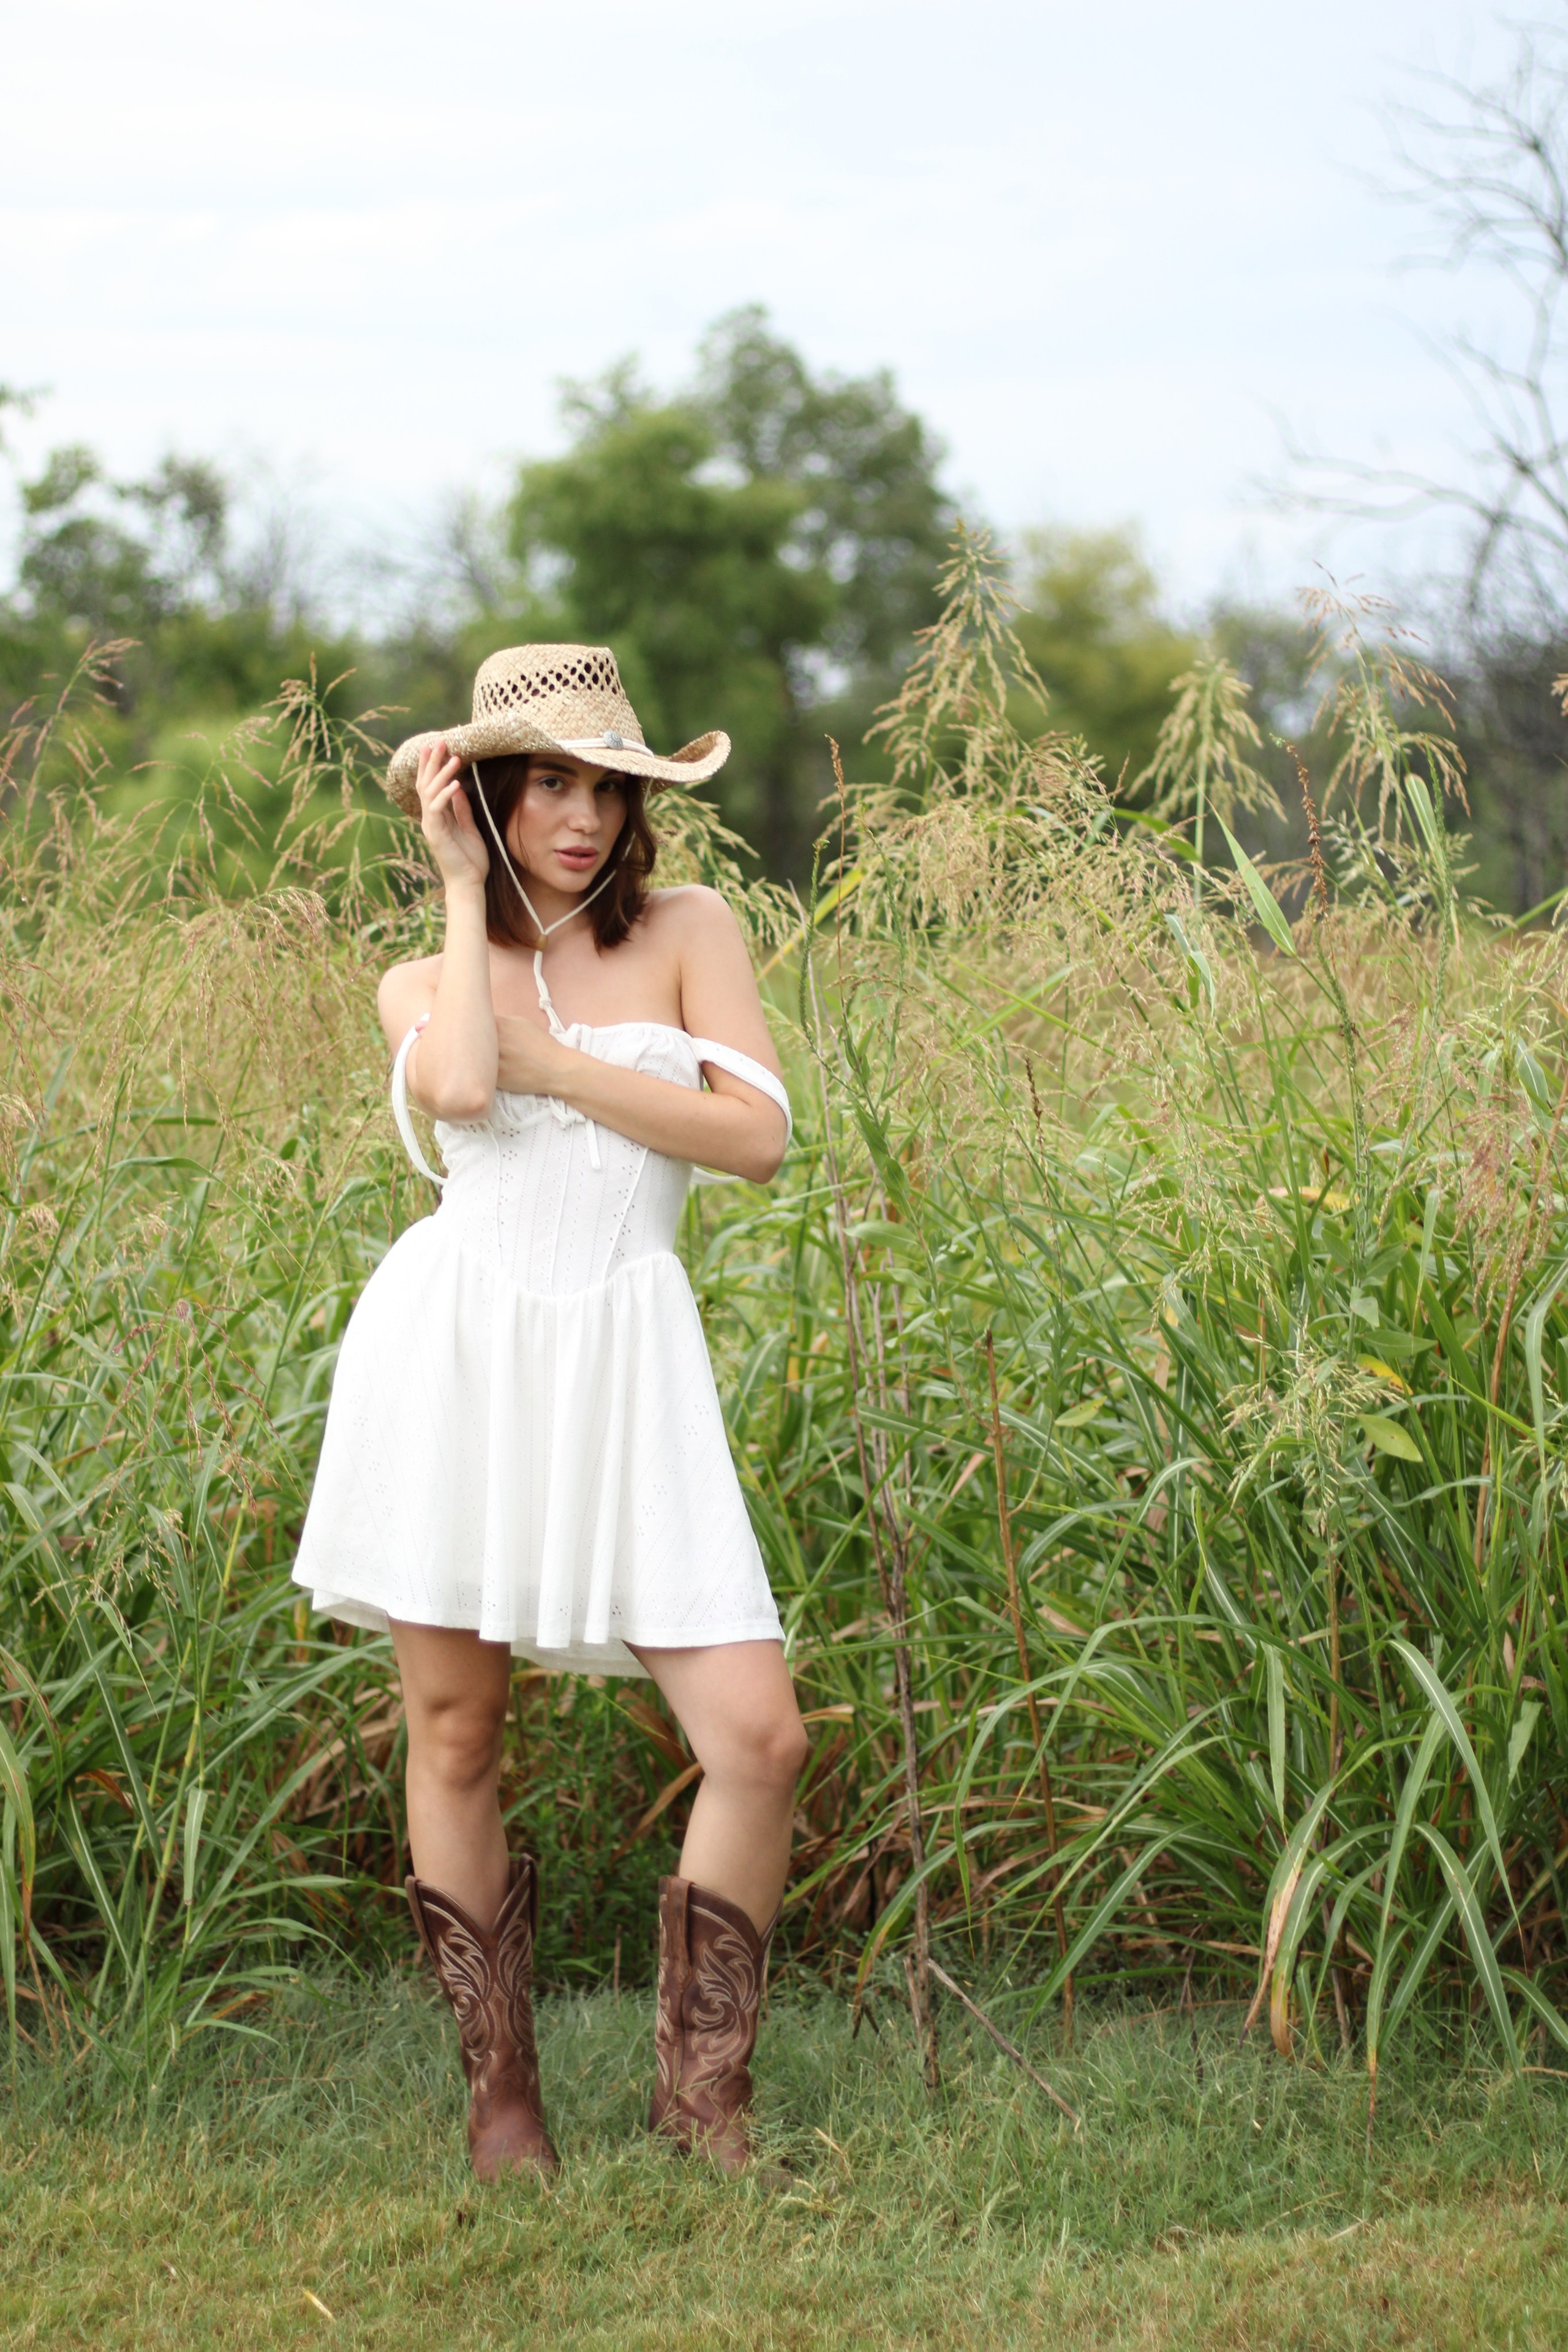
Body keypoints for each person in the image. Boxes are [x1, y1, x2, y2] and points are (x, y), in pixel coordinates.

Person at [293, 643, 807, 2182]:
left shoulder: (686, 930)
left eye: (608, 786)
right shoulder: (415, 971)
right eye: (549, 784)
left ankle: (700, 2101)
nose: (584, 817)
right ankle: (500, 2094)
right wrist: (464, 894)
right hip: (457, 1354)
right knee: (454, 1731)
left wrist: (563, 1068)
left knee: (760, 1738)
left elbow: (756, 1138)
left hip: (629, 1360)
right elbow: (459, 1090)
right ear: (487, 793)